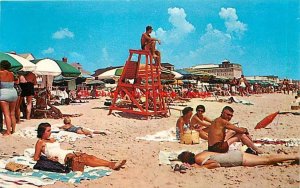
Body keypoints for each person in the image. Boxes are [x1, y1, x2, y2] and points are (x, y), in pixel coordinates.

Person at [33, 123, 126, 171]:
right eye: (48, 131)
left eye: (50, 130)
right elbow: (36, 158)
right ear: (42, 132)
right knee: (83, 159)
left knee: (89, 156)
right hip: (61, 158)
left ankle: (111, 163)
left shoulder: (52, 139)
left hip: (64, 152)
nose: (50, 132)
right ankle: (111, 165)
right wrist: (49, 159)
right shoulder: (40, 142)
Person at [178, 150, 299, 169]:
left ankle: (294, 157)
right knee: (266, 158)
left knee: (266, 160)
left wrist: (201, 168)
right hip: (236, 154)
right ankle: (292, 157)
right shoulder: (201, 153)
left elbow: (215, 164)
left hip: (238, 159)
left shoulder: (199, 160)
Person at [0, 60, 18, 135]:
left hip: (4, 93)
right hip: (13, 92)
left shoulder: (0, 73)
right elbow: (16, 81)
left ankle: (8, 131)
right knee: (12, 114)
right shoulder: (12, 74)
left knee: (6, 114)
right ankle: (13, 130)